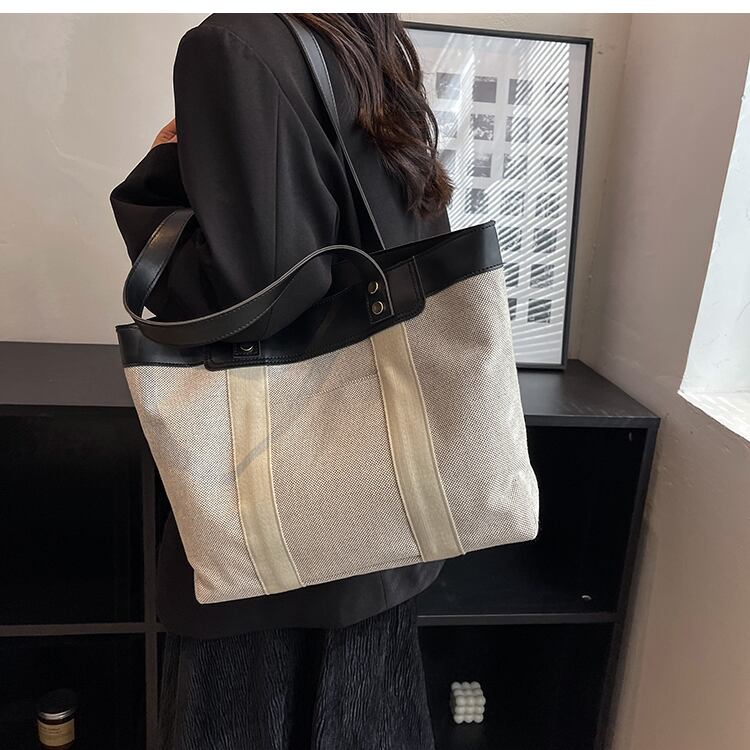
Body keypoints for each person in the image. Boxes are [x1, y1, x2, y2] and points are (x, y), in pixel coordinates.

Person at [110, 13, 454, 750]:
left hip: (271, 540)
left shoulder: (229, 44)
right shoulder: (365, 37)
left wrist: (161, 170)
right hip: (382, 520)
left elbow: (256, 297)